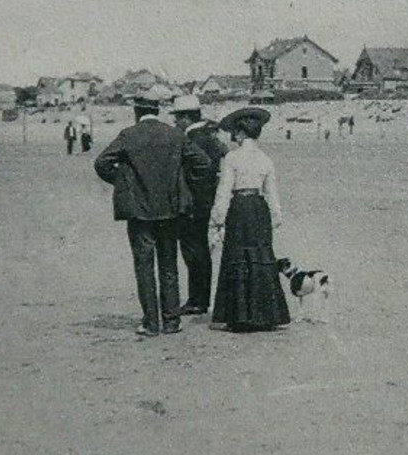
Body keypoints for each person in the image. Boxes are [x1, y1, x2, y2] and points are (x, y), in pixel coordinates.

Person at [94, 87, 197, 336]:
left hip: (140, 212)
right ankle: (172, 321)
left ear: (137, 111)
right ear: (157, 110)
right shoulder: (174, 135)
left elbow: (102, 163)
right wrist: (182, 182)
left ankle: (151, 323)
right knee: (169, 265)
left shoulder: (129, 135)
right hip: (170, 210)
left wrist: (124, 182)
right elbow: (201, 162)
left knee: (144, 266)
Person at [209, 106, 291, 332]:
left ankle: (240, 316)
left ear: (241, 133)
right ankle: (266, 314)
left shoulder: (232, 158)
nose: (233, 136)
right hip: (259, 207)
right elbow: (272, 192)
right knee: (261, 254)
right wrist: (275, 216)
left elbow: (224, 190)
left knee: (237, 255)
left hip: (239, 207)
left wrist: (217, 219)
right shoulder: (266, 159)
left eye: (235, 132)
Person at [171, 94, 228, 315]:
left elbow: (198, 172)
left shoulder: (193, 138)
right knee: (201, 251)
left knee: (193, 252)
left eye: (177, 117)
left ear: (186, 117)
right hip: (206, 202)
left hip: (193, 204)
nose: (175, 122)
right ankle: (200, 299)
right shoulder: (208, 136)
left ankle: (197, 300)